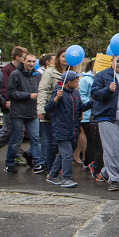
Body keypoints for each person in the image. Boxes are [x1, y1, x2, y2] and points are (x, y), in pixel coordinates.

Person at [91, 54, 119, 191]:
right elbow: (95, 94)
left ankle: (104, 172)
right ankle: (113, 180)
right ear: (112, 61)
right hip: (108, 117)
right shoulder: (102, 75)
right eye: (118, 61)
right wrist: (108, 90)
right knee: (111, 150)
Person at [44, 70, 91, 187]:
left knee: (63, 154)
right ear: (68, 82)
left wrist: (92, 102)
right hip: (61, 128)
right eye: (75, 82)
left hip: (72, 128)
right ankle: (66, 178)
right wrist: (55, 99)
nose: (77, 84)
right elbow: (48, 108)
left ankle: (53, 175)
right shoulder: (58, 92)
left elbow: (80, 108)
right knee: (67, 154)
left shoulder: (75, 93)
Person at [4, 53, 43, 174]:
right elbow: (10, 92)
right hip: (18, 113)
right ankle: (9, 163)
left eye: (33, 61)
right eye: (29, 61)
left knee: (35, 138)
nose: (31, 64)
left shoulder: (38, 75)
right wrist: (28, 95)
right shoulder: (15, 74)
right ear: (23, 61)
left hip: (32, 113)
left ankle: (38, 163)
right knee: (16, 139)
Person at [38, 47, 68, 180]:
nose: (65, 59)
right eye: (63, 56)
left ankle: (58, 168)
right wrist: (41, 109)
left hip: (65, 112)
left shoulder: (71, 72)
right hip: (51, 110)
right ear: (58, 58)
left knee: (62, 142)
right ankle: (50, 169)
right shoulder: (50, 72)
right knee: (51, 142)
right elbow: (43, 90)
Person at [0, 46, 27, 149]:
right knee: (8, 131)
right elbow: (4, 87)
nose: (25, 59)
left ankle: (16, 154)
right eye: (24, 57)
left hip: (20, 105)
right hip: (9, 105)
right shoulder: (6, 70)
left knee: (19, 132)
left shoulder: (22, 70)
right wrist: (7, 100)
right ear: (17, 57)